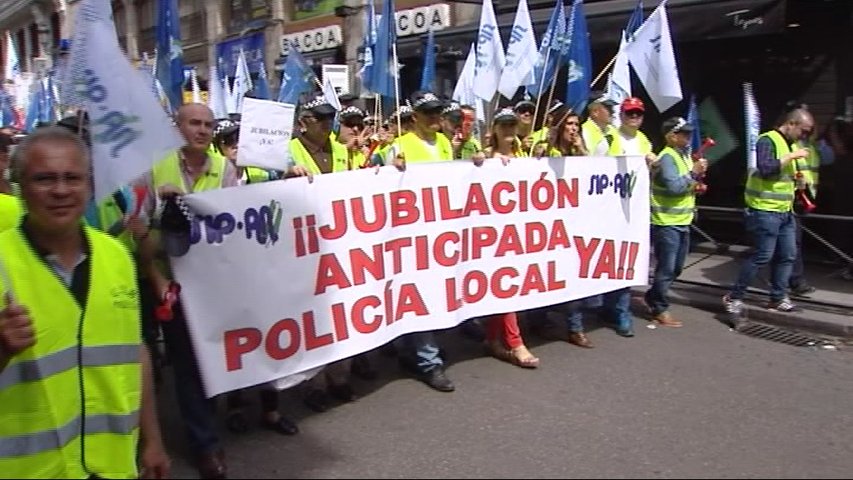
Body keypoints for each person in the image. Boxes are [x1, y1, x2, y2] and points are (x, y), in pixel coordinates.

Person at [0, 127, 170, 478]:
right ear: (18, 185)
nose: (60, 190)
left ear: (90, 185)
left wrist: (152, 439)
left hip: (112, 465)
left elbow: (134, 352)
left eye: (72, 178)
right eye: (44, 179)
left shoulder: (116, 256)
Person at [139, 103, 240, 479]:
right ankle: (205, 444)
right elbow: (141, 235)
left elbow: (238, 224)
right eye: (193, 123)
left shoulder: (226, 170)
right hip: (173, 287)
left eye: (208, 125)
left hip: (216, 283)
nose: (202, 130)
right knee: (187, 364)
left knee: (215, 357)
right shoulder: (154, 168)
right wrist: (156, 275)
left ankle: (215, 417)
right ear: (176, 126)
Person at [384, 90, 474, 392]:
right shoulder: (399, 146)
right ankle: (429, 361)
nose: (436, 118)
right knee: (419, 293)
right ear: (414, 118)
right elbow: (376, 186)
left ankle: (413, 350)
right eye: (429, 113)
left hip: (440, 233)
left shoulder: (446, 144)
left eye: (438, 112)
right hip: (411, 236)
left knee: (435, 291)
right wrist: (389, 169)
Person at [723, 107, 813, 316]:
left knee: (788, 255)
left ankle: (778, 297)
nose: (804, 136)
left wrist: (799, 183)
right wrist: (791, 156)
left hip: (785, 211)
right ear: (791, 124)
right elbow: (766, 168)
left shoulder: (790, 144)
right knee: (762, 256)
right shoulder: (768, 140)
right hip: (764, 210)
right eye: (804, 131)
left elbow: (782, 177)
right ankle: (734, 296)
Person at [480, 108, 540, 368]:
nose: (508, 131)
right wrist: (484, 162)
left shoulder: (523, 156)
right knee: (506, 288)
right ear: (494, 130)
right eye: (503, 126)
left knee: (502, 289)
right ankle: (516, 343)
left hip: (520, 233)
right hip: (494, 235)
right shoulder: (487, 159)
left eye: (511, 126)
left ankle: (493, 339)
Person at [644, 117, 708, 327]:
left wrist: (696, 183)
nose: (688, 137)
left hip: (682, 219)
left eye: (689, 133)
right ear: (671, 136)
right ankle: (659, 307)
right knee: (667, 267)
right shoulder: (668, 157)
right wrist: (694, 174)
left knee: (677, 267)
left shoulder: (683, 155)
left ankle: (654, 296)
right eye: (684, 134)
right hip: (666, 221)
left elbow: (685, 185)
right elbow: (674, 187)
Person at [290, 95, 350, 174]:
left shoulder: (341, 149)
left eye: (331, 116)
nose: (327, 122)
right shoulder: (288, 150)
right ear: (303, 122)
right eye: (320, 117)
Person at [581, 91, 618, 156]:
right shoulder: (584, 132)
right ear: (595, 112)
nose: (613, 111)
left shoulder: (613, 130)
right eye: (608, 108)